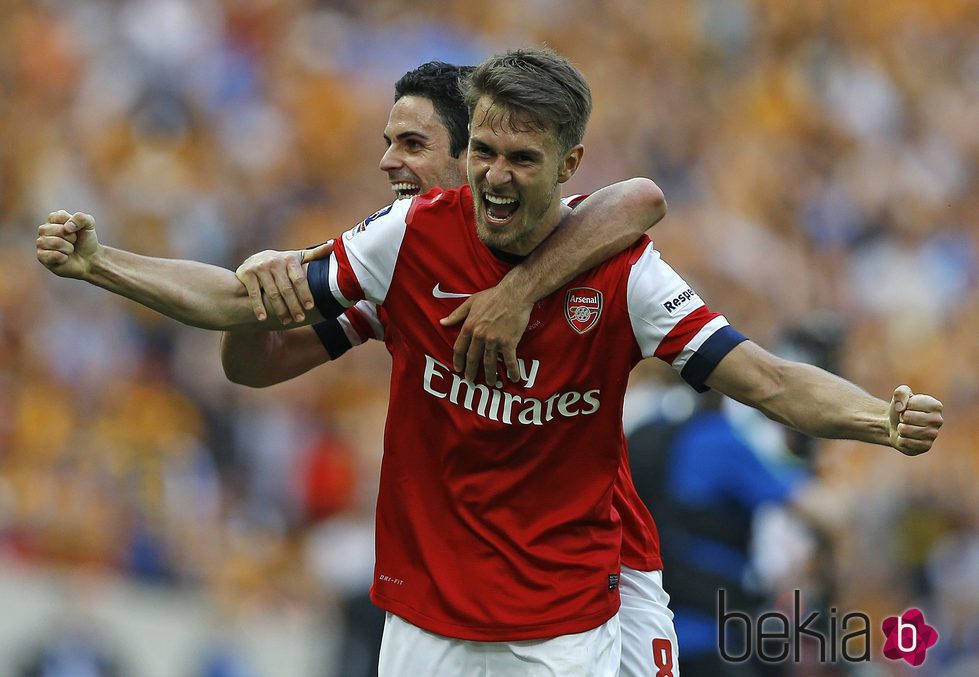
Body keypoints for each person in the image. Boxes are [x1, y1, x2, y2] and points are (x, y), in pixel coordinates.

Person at [36, 47, 943, 675]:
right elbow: (249, 352)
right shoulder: (402, 245)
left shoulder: (619, 267)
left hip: (580, 592)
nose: (488, 174)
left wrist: (877, 419)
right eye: (478, 155)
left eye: (415, 143)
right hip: (431, 600)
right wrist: (114, 265)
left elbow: (660, 226)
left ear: (564, 164)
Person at [221, 60, 675, 677]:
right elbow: (259, 367)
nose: (389, 163)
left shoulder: (562, 235)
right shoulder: (407, 267)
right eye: (388, 144)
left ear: (469, 157)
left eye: (413, 145)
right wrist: (255, 301)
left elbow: (640, 199)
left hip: (601, 572)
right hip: (473, 596)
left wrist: (517, 293)